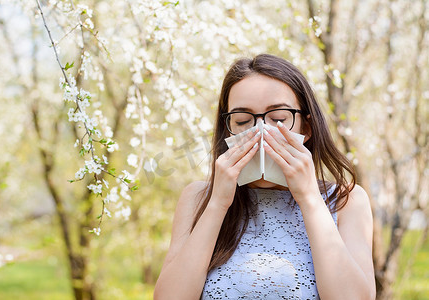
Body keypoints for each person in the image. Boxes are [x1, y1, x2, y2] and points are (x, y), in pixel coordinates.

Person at [154, 54, 375, 299]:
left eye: (279, 119)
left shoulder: (346, 201)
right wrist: (218, 204)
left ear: (307, 127)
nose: (260, 132)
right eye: (242, 120)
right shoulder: (198, 197)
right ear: (227, 128)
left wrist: (310, 199)